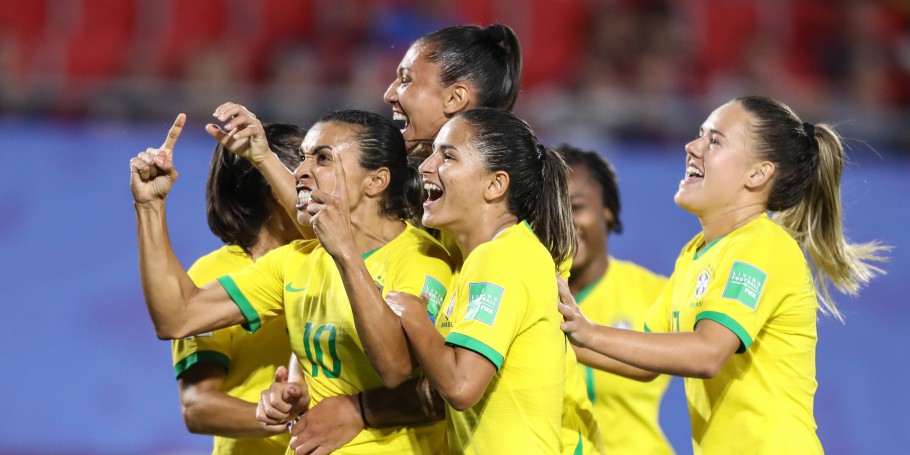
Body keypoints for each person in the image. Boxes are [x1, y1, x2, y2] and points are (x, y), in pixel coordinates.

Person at [236, 23, 603, 454]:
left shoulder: (506, 243)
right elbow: (337, 230)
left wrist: (360, 409)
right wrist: (263, 158)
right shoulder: (441, 200)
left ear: (455, 98)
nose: (391, 92)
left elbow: (456, 380)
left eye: (407, 78)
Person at [558, 96, 889, 454]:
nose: (692, 147)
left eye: (714, 140)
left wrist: (587, 332)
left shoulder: (762, 245)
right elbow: (643, 360)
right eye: (700, 135)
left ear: (758, 174)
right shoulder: (694, 254)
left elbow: (707, 353)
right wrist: (551, 334)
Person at [131, 109, 454, 454]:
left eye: (323, 159)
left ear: (375, 181)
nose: (300, 172)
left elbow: (395, 369)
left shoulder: (422, 259)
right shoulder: (296, 260)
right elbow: (177, 316)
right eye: (302, 159)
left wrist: (345, 254)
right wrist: (150, 206)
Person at [383, 107, 575, 453]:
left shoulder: (502, 257)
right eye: (431, 154)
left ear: (495, 184)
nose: (426, 167)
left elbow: (461, 385)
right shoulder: (488, 257)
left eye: (448, 156)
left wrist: (414, 316)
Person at [172, 123, 306, 455]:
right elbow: (197, 405)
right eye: (307, 174)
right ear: (275, 189)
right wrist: (292, 421)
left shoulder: (332, 260)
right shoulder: (212, 274)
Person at [557, 144, 676, 454]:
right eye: (553, 209)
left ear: (606, 209)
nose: (564, 221)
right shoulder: (525, 291)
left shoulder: (657, 293)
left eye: (576, 207)